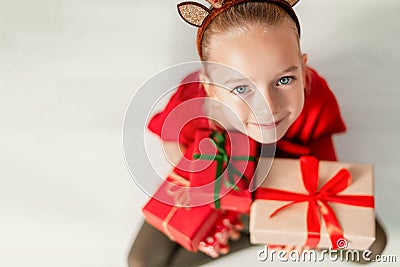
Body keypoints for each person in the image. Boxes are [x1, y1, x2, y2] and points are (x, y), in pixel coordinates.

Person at [128, 0, 387, 266]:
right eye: (241, 88)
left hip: (288, 175)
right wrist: (221, 209)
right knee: (142, 261)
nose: (268, 108)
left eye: (284, 80)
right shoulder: (191, 104)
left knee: (371, 247)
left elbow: (324, 164)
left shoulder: (315, 95)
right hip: (224, 181)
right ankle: (251, 227)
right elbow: (174, 149)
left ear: (303, 68)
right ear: (211, 87)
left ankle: (260, 226)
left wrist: (296, 223)